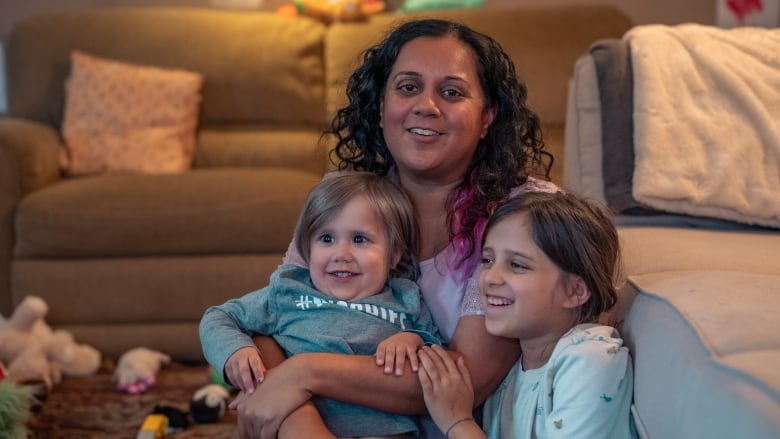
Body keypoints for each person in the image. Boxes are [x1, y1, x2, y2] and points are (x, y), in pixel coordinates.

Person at [232, 18, 557, 439]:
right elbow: (275, 318)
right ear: (382, 106)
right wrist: (300, 421)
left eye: (452, 92)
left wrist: (303, 371)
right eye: (407, 87)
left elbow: (461, 380)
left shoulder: (523, 213)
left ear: (487, 118)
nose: (426, 105)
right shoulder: (343, 196)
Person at [200, 172, 441, 439]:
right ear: (307, 249)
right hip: (300, 424)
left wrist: (413, 339)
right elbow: (218, 317)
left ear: (394, 254)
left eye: (360, 239)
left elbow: (438, 352)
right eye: (326, 239)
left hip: (384, 429)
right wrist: (236, 350)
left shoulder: (405, 299)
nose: (342, 255)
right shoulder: (289, 292)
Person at [417, 191, 634, 439]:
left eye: (517, 265)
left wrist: (458, 422)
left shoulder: (591, 359)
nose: (490, 277)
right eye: (488, 260)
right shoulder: (513, 374)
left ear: (575, 291)